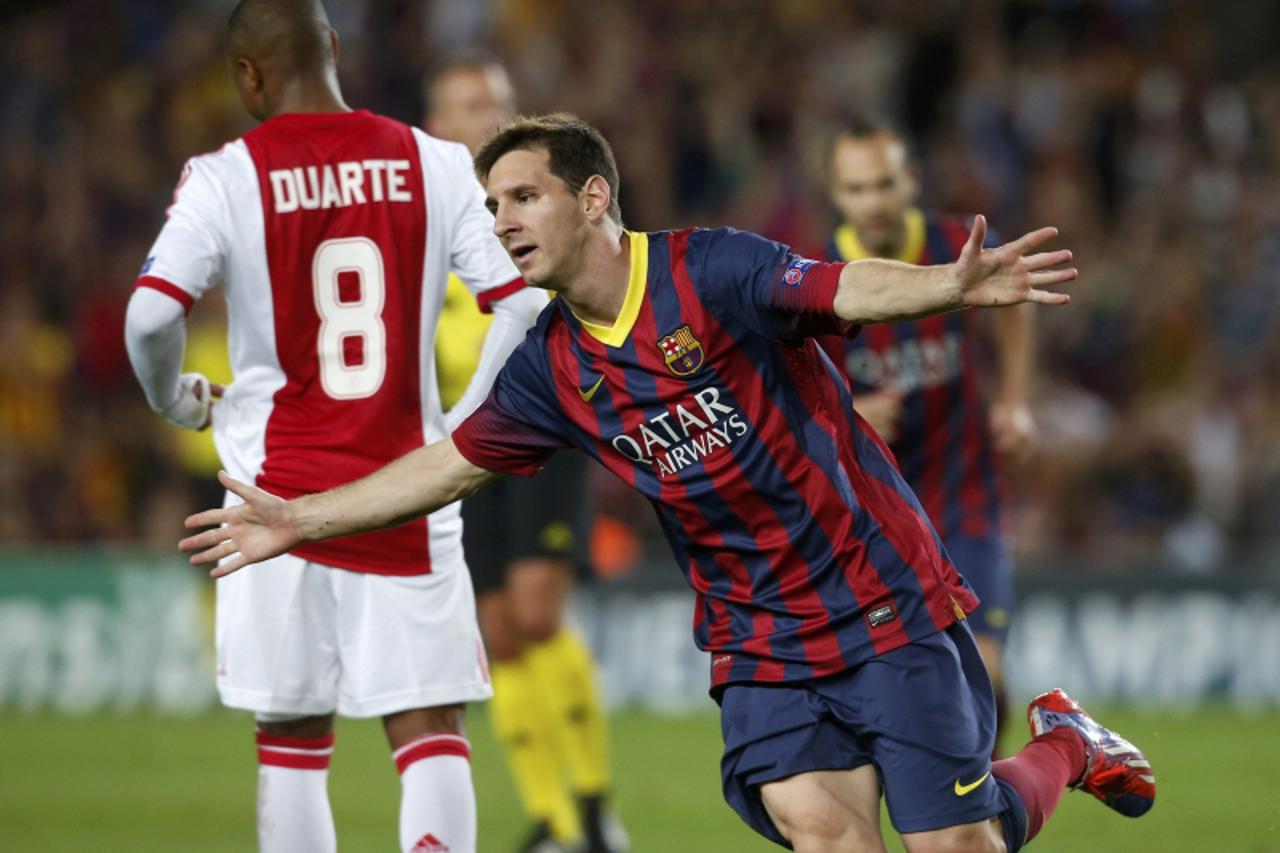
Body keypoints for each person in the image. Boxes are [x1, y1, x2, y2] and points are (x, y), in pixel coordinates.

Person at [180, 114, 1156, 853]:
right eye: (490, 207)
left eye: (522, 196)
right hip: (756, 635)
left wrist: (946, 283)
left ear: (594, 197)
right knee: (827, 834)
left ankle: (1062, 743)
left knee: (954, 843)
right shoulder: (548, 368)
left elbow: (836, 288)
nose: (501, 221)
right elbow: (446, 467)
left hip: (877, 594)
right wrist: (298, 517)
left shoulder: (710, 271)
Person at [123, 3, 546, 852]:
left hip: (268, 504)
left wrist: (175, 401)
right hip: (405, 491)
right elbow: (525, 301)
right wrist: (463, 428)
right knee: (428, 729)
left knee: (292, 744)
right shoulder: (434, 162)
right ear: (334, 51)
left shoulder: (225, 175)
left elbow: (149, 315)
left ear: (248, 74)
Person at [423, 58, 627, 853]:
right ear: (437, 124)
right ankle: (555, 820)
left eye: (501, 102)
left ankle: (596, 802)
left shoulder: (541, 199)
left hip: (545, 416)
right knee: (499, 630)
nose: (491, 113)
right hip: (464, 436)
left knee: (539, 612)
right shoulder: (430, 218)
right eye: (473, 102)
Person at [821, 117, 1032, 753]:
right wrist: (848, 413)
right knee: (917, 687)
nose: (873, 201)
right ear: (837, 195)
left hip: (964, 488)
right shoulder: (814, 277)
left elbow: (1015, 303)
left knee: (977, 675)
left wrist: (1016, 399)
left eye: (884, 183)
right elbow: (789, 389)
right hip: (876, 509)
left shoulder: (956, 245)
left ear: (910, 180)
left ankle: (982, 811)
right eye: (857, 189)